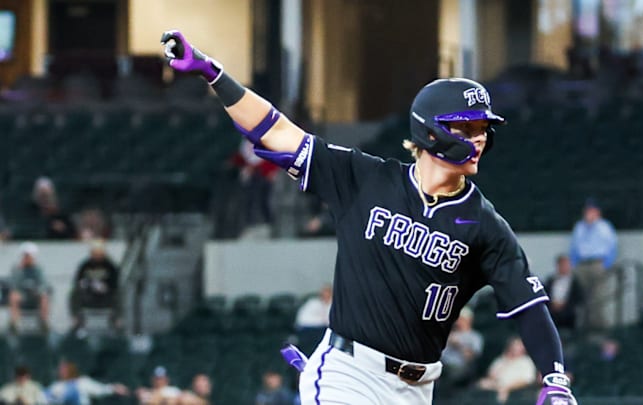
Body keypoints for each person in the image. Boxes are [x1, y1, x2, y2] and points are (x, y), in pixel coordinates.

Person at [160, 30, 575, 405]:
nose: (479, 136)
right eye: (466, 127)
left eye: (483, 126)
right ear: (431, 133)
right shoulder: (365, 180)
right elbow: (275, 130)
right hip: (349, 373)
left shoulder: (486, 226)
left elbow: (529, 306)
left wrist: (555, 378)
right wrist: (213, 73)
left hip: (418, 389)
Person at [569, 198, 618, 331]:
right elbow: (573, 247)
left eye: (591, 211)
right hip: (582, 264)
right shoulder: (579, 227)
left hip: (597, 263)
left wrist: (606, 265)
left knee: (597, 296)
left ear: (597, 212)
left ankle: (599, 327)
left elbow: (612, 247)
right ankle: (584, 326)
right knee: (583, 296)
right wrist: (574, 264)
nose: (588, 214)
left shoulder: (604, 227)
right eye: (587, 211)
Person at [69, 239, 120, 332]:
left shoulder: (110, 266)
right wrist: (86, 285)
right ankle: (76, 319)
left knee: (118, 294)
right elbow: (78, 281)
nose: (96, 255)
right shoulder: (85, 265)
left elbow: (115, 283)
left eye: (98, 253)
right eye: (94, 253)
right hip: (90, 295)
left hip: (106, 295)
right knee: (74, 293)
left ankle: (117, 320)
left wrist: (105, 287)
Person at [476, 336, 537, 404]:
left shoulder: (526, 362)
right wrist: (505, 363)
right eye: (514, 345)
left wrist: (507, 388)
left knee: (500, 395)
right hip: (496, 385)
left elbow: (527, 380)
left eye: (519, 346)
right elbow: (490, 375)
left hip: (514, 390)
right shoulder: (501, 359)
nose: (515, 348)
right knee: (481, 384)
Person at [8, 242, 51, 333]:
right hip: (22, 296)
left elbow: (43, 285)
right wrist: (20, 270)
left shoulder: (38, 270)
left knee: (44, 296)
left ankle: (43, 322)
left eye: (28, 256)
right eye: (25, 256)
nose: (26, 258)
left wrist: (37, 291)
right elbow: (14, 285)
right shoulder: (17, 269)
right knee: (14, 296)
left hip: (35, 296)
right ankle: (15, 323)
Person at [45, 360, 129, 405]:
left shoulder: (82, 382)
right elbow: (45, 398)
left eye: (65, 369)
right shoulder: (56, 386)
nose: (62, 372)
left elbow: (100, 390)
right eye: (61, 370)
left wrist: (114, 388)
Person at [440, 306, 483, 386]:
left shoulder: (474, 337)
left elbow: (471, 357)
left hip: (460, 368)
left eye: (461, 319)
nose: (458, 321)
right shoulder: (449, 334)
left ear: (468, 320)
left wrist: (458, 345)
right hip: (442, 364)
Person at [545, 254, 585, 331]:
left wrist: (564, 304)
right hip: (552, 310)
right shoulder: (550, 280)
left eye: (566, 265)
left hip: (568, 312)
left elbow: (579, 299)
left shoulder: (575, 282)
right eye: (561, 265)